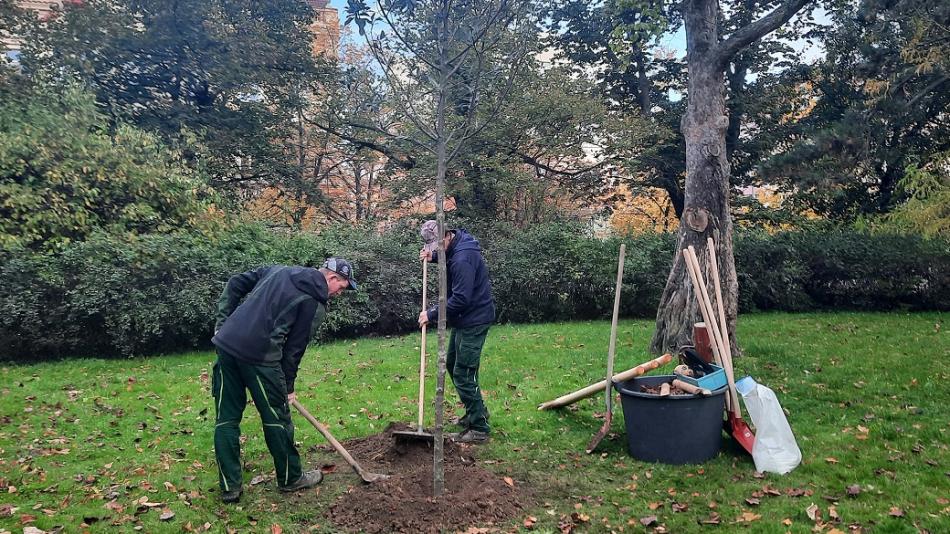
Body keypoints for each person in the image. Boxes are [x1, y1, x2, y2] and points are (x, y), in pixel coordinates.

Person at [211, 258, 357, 503]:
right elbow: (293, 350)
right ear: (331, 278)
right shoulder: (314, 302)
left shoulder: (278, 270)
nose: (339, 294)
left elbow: (236, 283)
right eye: (341, 287)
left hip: (226, 347)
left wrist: (222, 324)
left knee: (226, 419)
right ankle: (291, 478)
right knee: (277, 419)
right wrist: (287, 387)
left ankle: (230, 488)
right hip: (260, 358)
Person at [418, 220, 495, 444]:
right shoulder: (456, 245)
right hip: (465, 319)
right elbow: (447, 259)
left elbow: (461, 298)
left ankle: (479, 429)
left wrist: (431, 314)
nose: (435, 250)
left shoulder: (463, 258)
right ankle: (476, 411)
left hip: (474, 319)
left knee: (464, 372)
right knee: (453, 364)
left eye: (435, 246)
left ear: (446, 236)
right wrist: (432, 258)